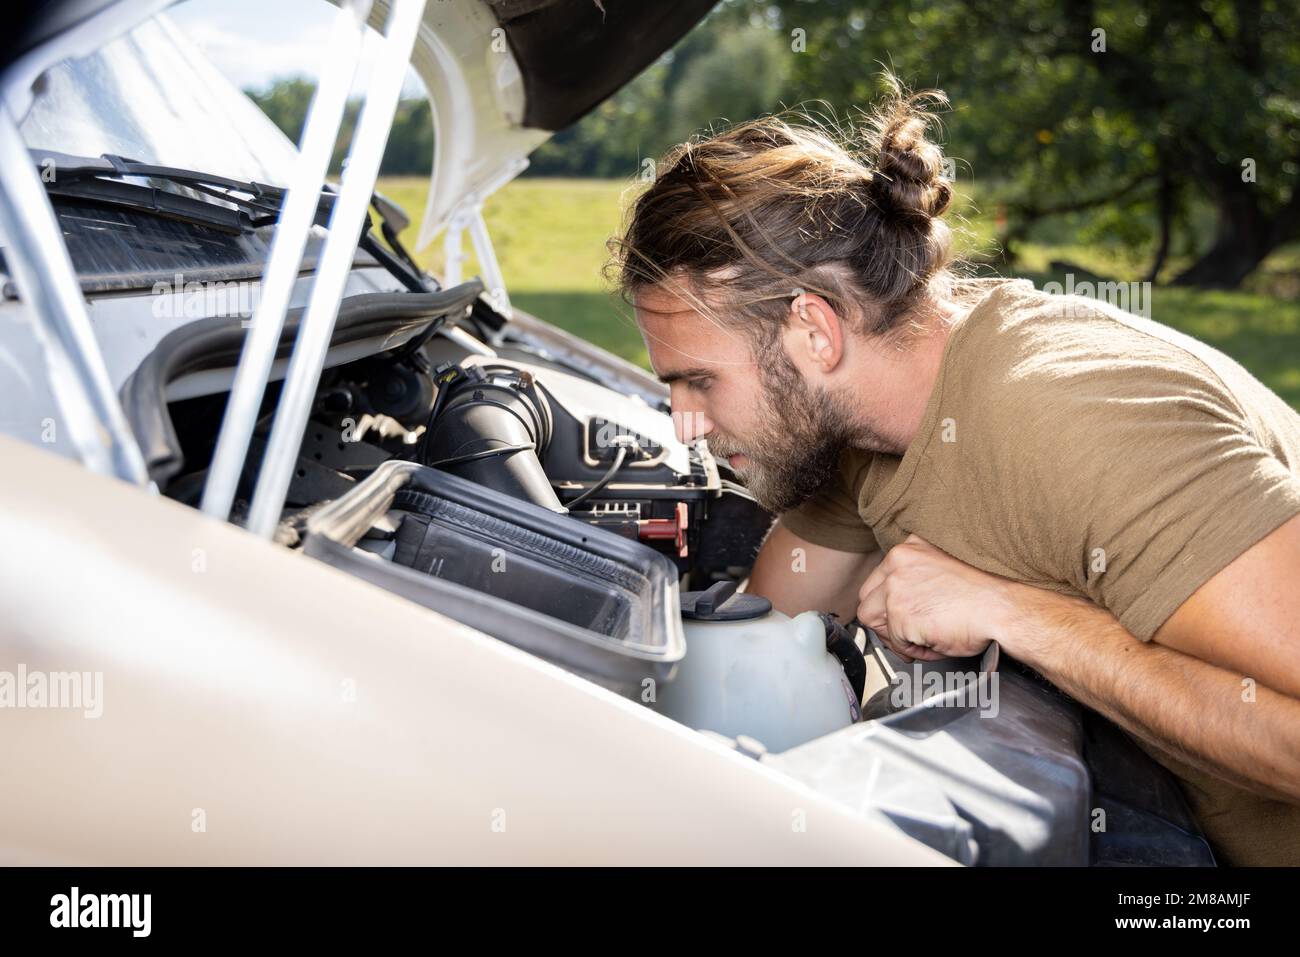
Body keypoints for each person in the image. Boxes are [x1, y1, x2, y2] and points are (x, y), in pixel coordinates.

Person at [608, 77, 1300, 866]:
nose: (683, 421)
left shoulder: (1073, 420)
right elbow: (758, 633)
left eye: (699, 381)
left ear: (813, 330)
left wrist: (1022, 616)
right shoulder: (868, 428)